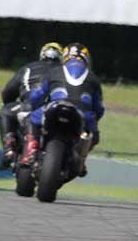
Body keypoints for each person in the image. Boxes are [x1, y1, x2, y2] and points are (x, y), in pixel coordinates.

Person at [21, 43, 104, 176]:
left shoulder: (54, 71)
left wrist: (32, 104)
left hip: (55, 107)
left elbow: (38, 95)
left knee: (31, 119)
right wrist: (93, 121)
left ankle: (31, 150)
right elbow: (99, 108)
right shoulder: (93, 78)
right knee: (94, 136)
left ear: (64, 57)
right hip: (82, 113)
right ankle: (81, 160)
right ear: (87, 59)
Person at [0, 42, 63, 170]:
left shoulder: (28, 68)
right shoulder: (63, 72)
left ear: (42, 55)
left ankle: (9, 148)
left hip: (28, 107)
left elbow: (9, 91)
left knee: (5, 111)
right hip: (55, 109)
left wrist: (7, 101)